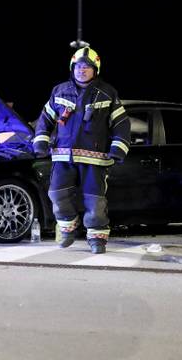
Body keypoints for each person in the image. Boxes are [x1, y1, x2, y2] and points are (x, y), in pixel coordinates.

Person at [33, 46, 130, 254]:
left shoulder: (108, 93)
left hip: (95, 159)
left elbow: (121, 123)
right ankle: (68, 227)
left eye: (87, 67)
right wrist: (40, 141)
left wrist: (118, 148)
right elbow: (45, 119)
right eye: (78, 66)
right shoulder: (59, 91)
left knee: (94, 202)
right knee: (56, 194)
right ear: (72, 67)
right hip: (63, 156)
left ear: (95, 70)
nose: (82, 70)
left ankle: (97, 239)